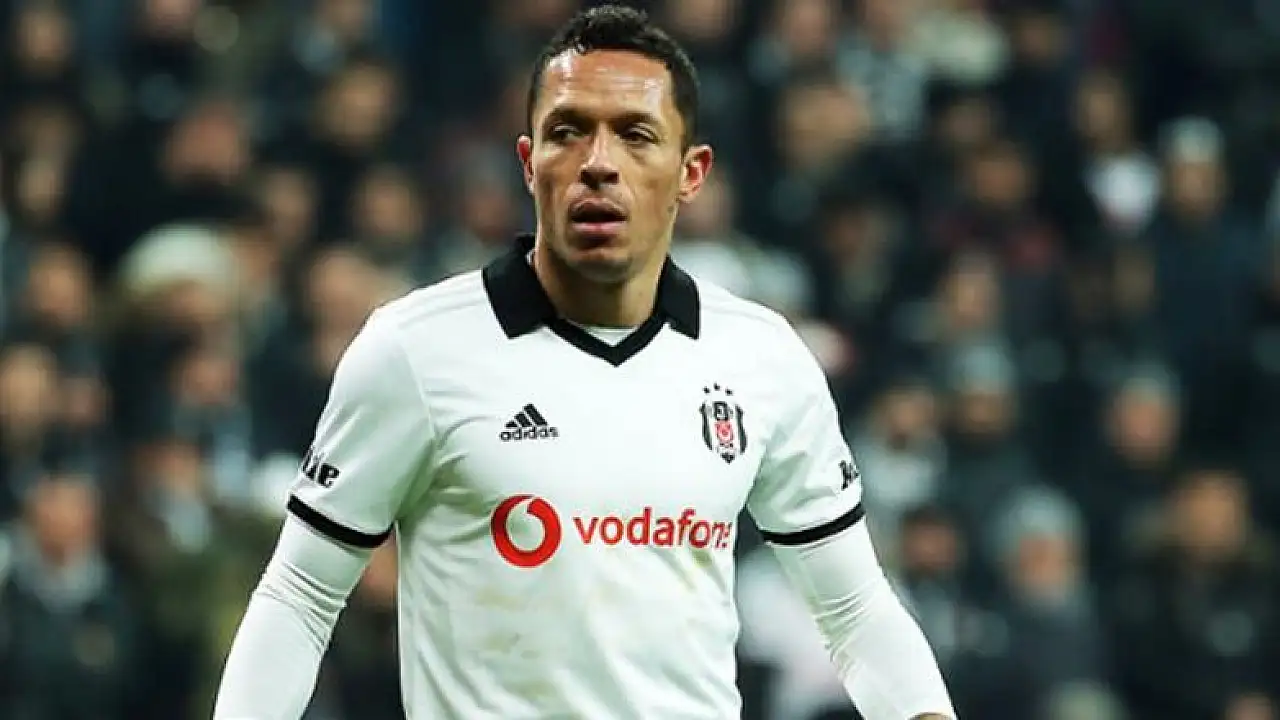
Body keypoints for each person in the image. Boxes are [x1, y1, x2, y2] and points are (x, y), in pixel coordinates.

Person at [212, 5, 955, 719]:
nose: (598, 164)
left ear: (691, 173)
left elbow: (854, 609)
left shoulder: (761, 358)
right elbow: (300, 596)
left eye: (635, 134)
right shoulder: (415, 350)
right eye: (568, 132)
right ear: (528, 162)